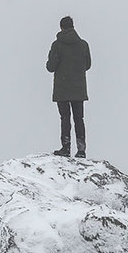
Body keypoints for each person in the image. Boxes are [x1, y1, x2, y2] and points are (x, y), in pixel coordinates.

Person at [46, 15, 92, 158]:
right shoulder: (83, 44)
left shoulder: (57, 45)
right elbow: (88, 65)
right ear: (73, 27)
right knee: (79, 119)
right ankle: (81, 150)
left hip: (62, 89)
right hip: (78, 88)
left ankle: (66, 148)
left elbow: (51, 67)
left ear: (61, 27)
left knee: (65, 118)